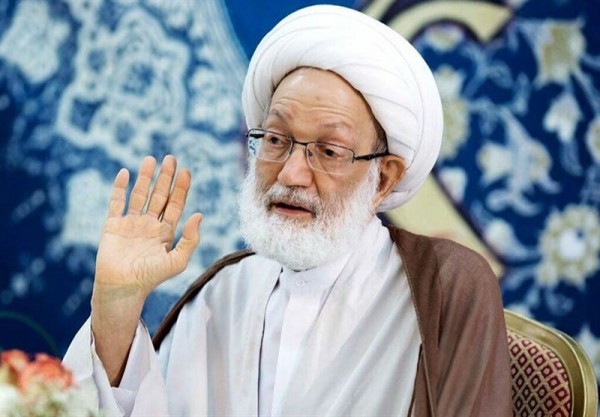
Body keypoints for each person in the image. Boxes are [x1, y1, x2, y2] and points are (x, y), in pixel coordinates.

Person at [64, 4, 512, 417]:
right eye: (276, 140)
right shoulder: (223, 294)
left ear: (384, 178)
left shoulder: (443, 286)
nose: (292, 173)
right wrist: (116, 305)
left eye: (329, 151)